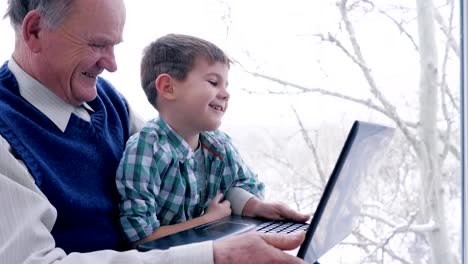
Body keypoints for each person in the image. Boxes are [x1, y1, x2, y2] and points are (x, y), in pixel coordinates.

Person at [0, 0, 309, 263]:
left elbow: (184, 167)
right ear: (35, 31)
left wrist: (249, 206)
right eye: (97, 44)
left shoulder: (107, 100)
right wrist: (214, 256)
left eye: (114, 45)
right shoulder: (6, 132)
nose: (112, 64)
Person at [116, 34, 310, 244]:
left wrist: (256, 206)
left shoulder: (218, 144)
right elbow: (141, 238)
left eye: (226, 85)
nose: (226, 94)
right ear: (167, 88)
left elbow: (239, 186)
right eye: (213, 82)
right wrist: (207, 220)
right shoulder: (146, 150)